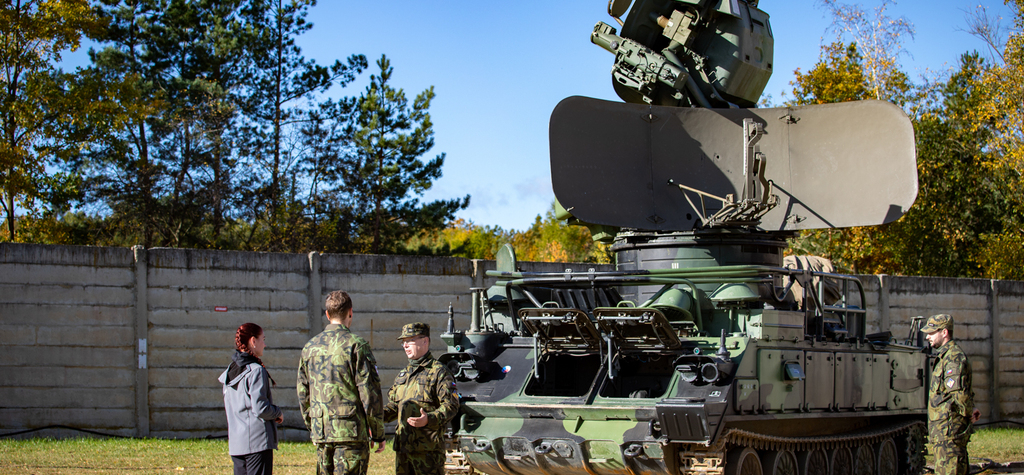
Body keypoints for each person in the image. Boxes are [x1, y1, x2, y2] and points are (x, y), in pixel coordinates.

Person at [298, 290, 385, 475]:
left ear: (327, 314)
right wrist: (378, 433)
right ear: (350, 312)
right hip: (350, 434)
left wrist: (313, 426)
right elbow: (370, 394)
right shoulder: (356, 345)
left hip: (322, 432)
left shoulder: (310, 348)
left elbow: (303, 393)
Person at [383, 322, 460, 475]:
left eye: (409, 340)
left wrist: (429, 419)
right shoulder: (403, 375)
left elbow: (451, 405)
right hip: (403, 450)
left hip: (428, 452)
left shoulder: (439, 372)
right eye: (403, 342)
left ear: (425, 341)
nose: (405, 345)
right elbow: (395, 406)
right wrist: (376, 416)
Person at [219, 322, 284, 475]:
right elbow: (261, 408)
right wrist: (278, 413)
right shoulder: (255, 371)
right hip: (257, 443)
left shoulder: (229, 371)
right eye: (263, 339)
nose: (265, 344)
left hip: (237, 444)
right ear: (253, 341)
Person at [921, 313, 982, 475]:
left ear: (944, 332)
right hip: (943, 433)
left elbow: (958, 392)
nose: (927, 337)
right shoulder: (945, 356)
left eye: (931, 333)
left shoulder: (953, 357)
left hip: (949, 433)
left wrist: (968, 413)